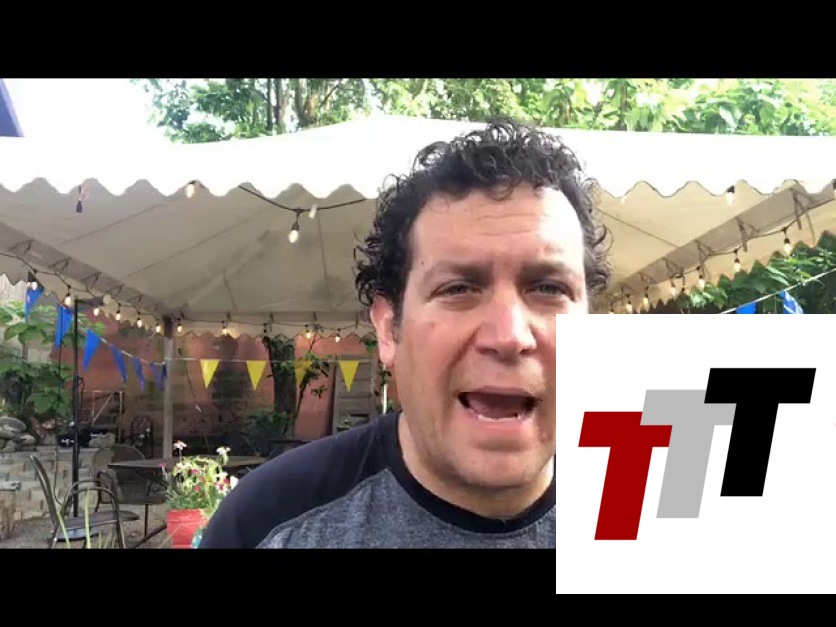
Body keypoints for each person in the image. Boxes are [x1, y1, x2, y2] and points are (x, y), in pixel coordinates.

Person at [198, 117, 612, 548]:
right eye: (458, 288)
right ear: (388, 329)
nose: (509, 336)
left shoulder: (645, 514)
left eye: (549, 289)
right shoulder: (267, 523)